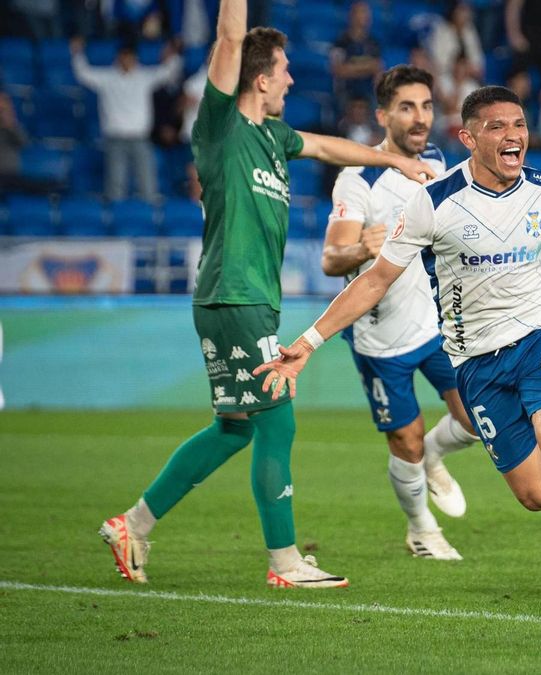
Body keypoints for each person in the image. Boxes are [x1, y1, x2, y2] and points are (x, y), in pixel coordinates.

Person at [253, 85, 541, 622]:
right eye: (497, 127)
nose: (513, 136)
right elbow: (375, 281)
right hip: (476, 363)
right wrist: (309, 342)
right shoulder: (433, 202)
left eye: (519, 125)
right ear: (469, 137)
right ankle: (436, 453)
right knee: (535, 495)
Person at [97, 0, 436, 590]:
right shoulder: (222, 124)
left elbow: (329, 147)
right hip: (235, 294)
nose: (292, 78)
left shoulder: (274, 137)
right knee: (277, 424)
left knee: (236, 427)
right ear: (259, 77)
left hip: (240, 298)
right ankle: (285, 562)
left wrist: (390, 160)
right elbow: (230, 38)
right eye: (283, 69)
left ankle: (132, 525)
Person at [323, 65, 478, 561]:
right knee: (405, 441)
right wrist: (360, 250)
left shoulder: (435, 159)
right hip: (380, 337)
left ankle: (433, 458)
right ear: (383, 115)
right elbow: (331, 258)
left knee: (477, 418)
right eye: (407, 107)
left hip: (436, 322)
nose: (420, 118)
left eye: (427, 106)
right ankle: (420, 531)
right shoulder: (358, 180)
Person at [72, 38, 182, 202]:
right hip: (115, 139)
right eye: (123, 56)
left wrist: (172, 54)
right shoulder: (107, 78)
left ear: (135, 58)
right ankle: (116, 222)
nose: (126, 60)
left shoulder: (145, 77)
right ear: (118, 57)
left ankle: (150, 221)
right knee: (116, 188)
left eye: (129, 56)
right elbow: (83, 74)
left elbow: (168, 72)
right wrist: (77, 53)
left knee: (148, 186)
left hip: (140, 138)